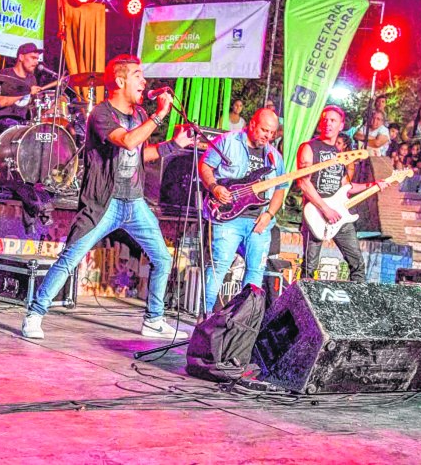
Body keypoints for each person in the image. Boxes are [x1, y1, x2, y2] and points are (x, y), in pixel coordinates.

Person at [21, 54, 194, 339]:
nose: (144, 81)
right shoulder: (101, 114)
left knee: (163, 258)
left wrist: (174, 145)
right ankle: (34, 314)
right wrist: (160, 115)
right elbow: (127, 141)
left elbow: (140, 155)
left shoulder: (139, 115)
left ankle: (153, 320)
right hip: (105, 203)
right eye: (138, 75)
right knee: (70, 259)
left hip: (134, 202)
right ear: (120, 81)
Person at [200, 109, 286, 313]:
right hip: (228, 217)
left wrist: (269, 214)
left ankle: (243, 319)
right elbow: (204, 166)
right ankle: (204, 317)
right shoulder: (227, 141)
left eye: (272, 132)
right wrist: (214, 187)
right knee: (219, 266)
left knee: (255, 271)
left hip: (259, 222)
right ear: (252, 124)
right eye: (264, 130)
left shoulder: (274, 157)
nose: (268, 136)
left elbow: (280, 189)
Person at [298, 105, 389, 281]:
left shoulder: (339, 154)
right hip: (315, 213)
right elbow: (303, 182)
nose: (328, 123)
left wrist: (373, 185)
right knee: (309, 267)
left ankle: (358, 298)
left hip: (339, 215)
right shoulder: (309, 147)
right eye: (325, 120)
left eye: (333, 120)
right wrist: (325, 209)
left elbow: (346, 186)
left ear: (341, 125)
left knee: (357, 264)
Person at [0, 42, 45, 134]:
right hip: (5, 121)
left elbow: (30, 105)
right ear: (21, 57)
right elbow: (1, 102)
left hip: (22, 122)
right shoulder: (6, 74)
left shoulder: (31, 79)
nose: (36, 62)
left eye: (37, 59)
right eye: (33, 58)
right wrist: (27, 91)